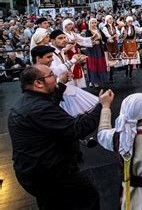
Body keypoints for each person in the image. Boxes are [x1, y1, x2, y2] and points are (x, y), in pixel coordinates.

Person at [8, 65, 114, 209]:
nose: (55, 78)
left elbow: (51, 103)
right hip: (49, 174)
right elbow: (78, 129)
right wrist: (102, 106)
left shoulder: (30, 101)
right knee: (87, 197)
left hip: (35, 171)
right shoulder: (39, 109)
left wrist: (61, 85)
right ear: (38, 83)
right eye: (51, 75)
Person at [84, 18, 109, 86]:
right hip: (91, 50)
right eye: (92, 23)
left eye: (95, 23)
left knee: (99, 64)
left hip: (99, 49)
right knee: (92, 64)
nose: (94, 24)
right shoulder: (88, 31)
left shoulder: (99, 30)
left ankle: (98, 79)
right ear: (90, 24)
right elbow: (87, 40)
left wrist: (109, 39)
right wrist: (94, 41)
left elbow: (104, 38)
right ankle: (92, 80)